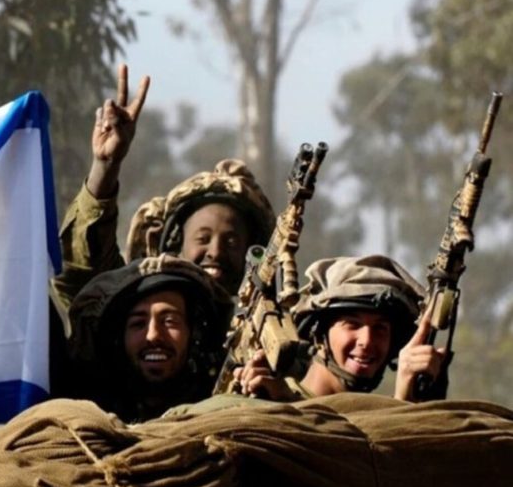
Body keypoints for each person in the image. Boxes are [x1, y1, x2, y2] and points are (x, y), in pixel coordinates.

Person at [52, 65, 275, 319]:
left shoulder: (265, 333)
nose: (215, 252)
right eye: (202, 238)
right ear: (175, 246)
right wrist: (106, 165)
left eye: (232, 242)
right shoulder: (133, 317)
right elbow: (79, 276)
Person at [233, 255, 447, 402]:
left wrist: (412, 401)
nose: (367, 340)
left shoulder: (380, 416)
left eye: (380, 328)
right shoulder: (269, 398)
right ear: (318, 333)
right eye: (352, 324)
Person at [66, 254, 231, 421]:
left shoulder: (221, 404)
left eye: (169, 321)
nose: (153, 335)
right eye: (138, 323)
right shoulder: (88, 411)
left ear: (193, 332)